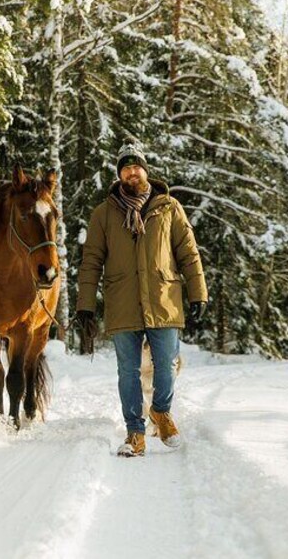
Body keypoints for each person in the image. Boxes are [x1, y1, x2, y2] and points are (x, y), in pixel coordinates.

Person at [76, 140, 208, 457]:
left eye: (136, 166)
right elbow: (91, 261)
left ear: (145, 170)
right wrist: (85, 305)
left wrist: (198, 293)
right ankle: (135, 432)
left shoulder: (169, 207)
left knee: (166, 364)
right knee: (128, 372)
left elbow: (188, 253)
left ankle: (160, 412)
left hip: (164, 299)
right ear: (119, 174)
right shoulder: (104, 214)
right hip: (123, 302)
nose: (132, 172)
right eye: (126, 168)